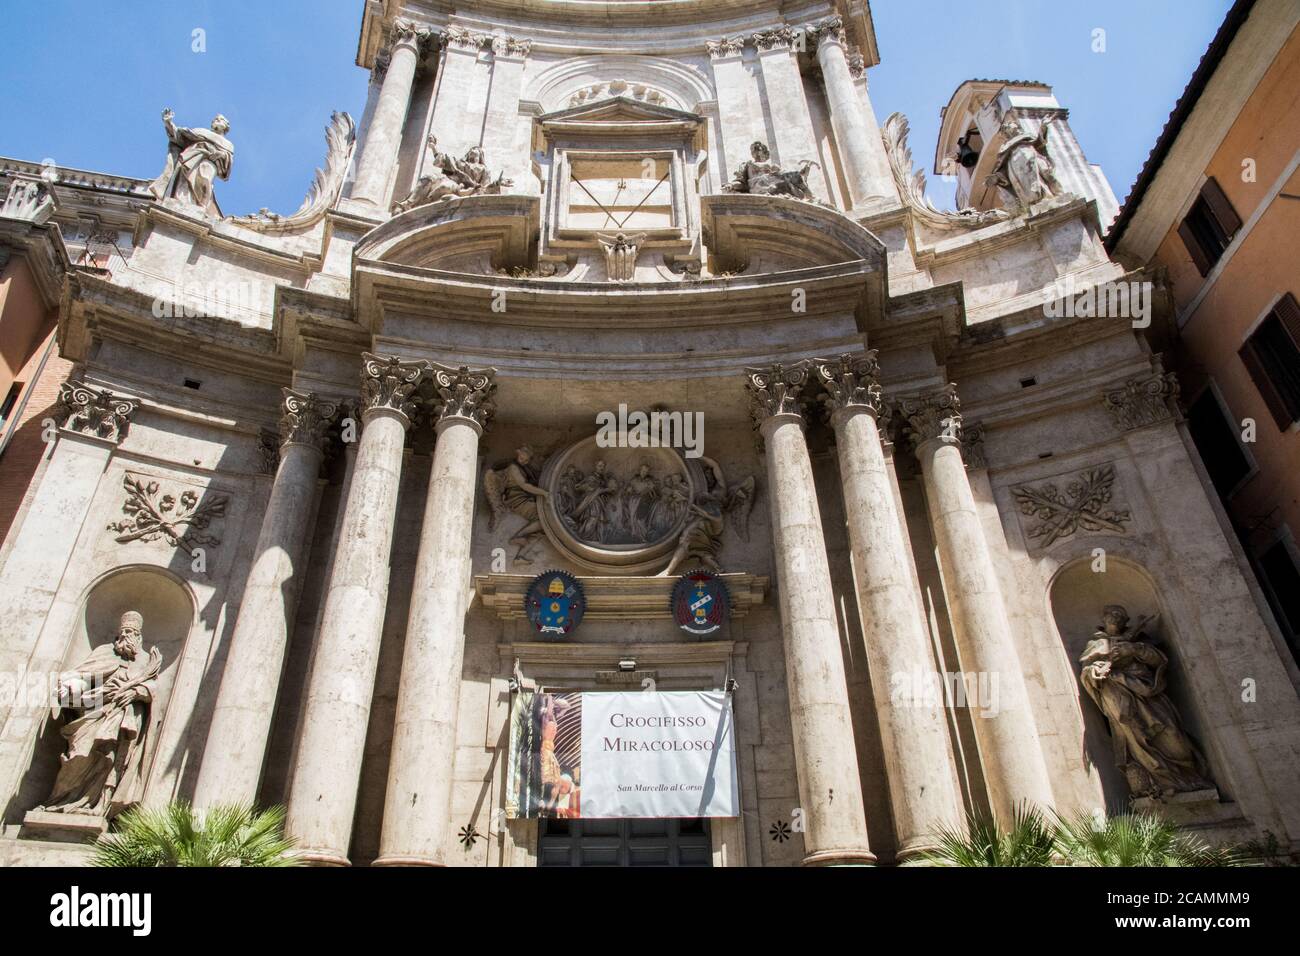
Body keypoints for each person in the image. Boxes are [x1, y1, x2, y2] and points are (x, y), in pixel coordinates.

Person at [38, 611, 162, 817]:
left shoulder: (147, 661)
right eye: (123, 632)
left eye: (131, 632)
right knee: (79, 753)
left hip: (123, 720)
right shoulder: (104, 652)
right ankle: (60, 801)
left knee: (111, 760)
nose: (126, 636)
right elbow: (82, 675)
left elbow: (152, 690)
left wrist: (135, 691)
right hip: (93, 710)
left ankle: (98, 806)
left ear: (139, 636)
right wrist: (71, 685)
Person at [149, 109, 234, 213]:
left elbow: (227, 166)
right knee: (184, 183)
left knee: (204, 177)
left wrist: (219, 154)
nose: (215, 121)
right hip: (189, 159)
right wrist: (168, 123)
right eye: (215, 119)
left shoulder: (227, 144)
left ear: (226, 126)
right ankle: (183, 203)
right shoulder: (201, 132)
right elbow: (178, 137)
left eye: (219, 120)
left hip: (210, 162)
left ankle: (201, 207)